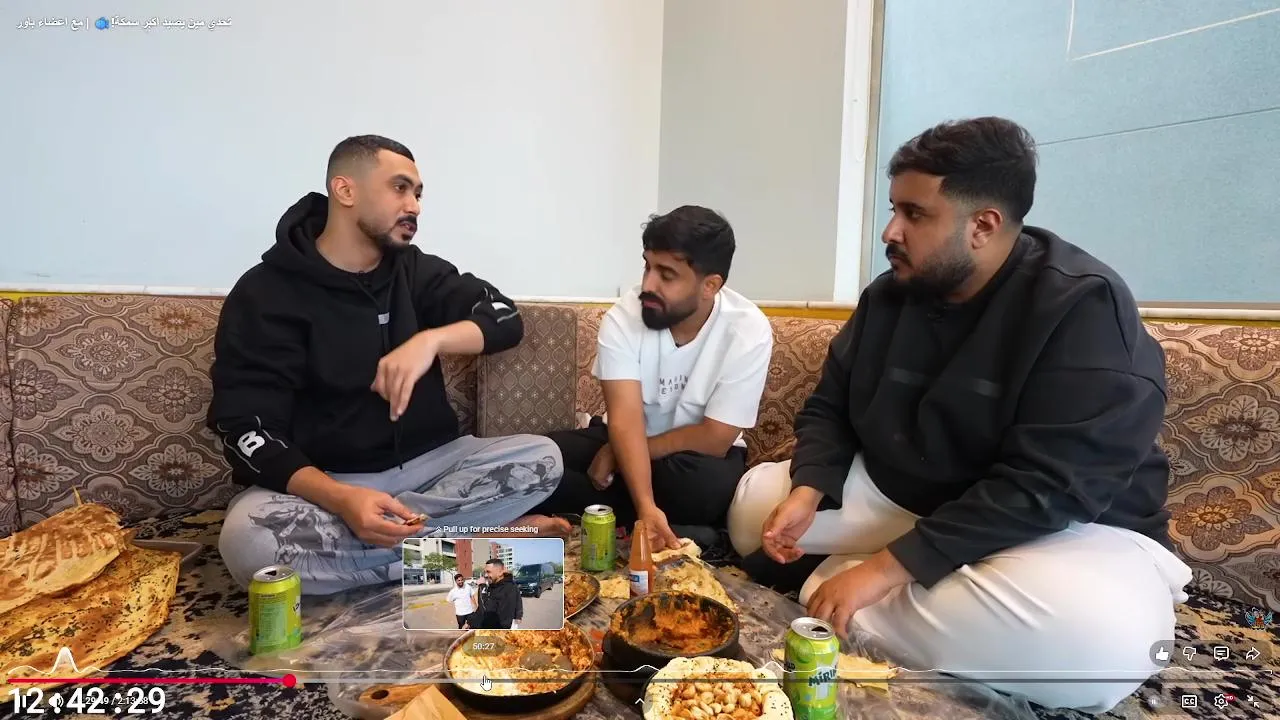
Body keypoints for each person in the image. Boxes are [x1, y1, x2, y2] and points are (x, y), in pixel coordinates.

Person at [726, 117, 1192, 713]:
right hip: (908, 499)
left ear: (983, 225)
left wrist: (885, 569)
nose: (890, 232)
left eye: (914, 214)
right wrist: (810, 486)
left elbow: (1048, 486)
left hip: (1058, 531)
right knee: (753, 512)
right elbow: (830, 406)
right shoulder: (890, 294)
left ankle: (837, 581)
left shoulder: (1082, 307)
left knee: (1104, 649)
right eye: (893, 209)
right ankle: (882, 588)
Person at [211, 135, 570, 596]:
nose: (414, 205)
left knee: (543, 458)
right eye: (400, 188)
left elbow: (504, 318)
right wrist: (342, 499)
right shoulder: (265, 292)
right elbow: (246, 428)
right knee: (248, 542)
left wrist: (430, 340)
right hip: (328, 485)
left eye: (418, 193)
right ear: (345, 190)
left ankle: (400, 552)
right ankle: (483, 548)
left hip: (432, 470)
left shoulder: (415, 271)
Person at [530, 205, 773, 551]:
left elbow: (716, 438)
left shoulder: (747, 329)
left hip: (694, 458)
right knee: (537, 458)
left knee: (705, 489)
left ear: (710, 285)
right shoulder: (624, 317)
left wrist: (618, 454)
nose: (648, 284)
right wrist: (644, 502)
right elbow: (625, 420)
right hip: (622, 436)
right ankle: (671, 526)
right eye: (647, 266)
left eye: (667, 275)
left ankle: (601, 512)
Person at [465, 559, 521, 630]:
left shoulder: (507, 588)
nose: (486, 575)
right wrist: (470, 621)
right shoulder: (495, 585)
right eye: (485, 572)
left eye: (488, 572)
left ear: (500, 572)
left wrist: (482, 586)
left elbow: (485, 610)